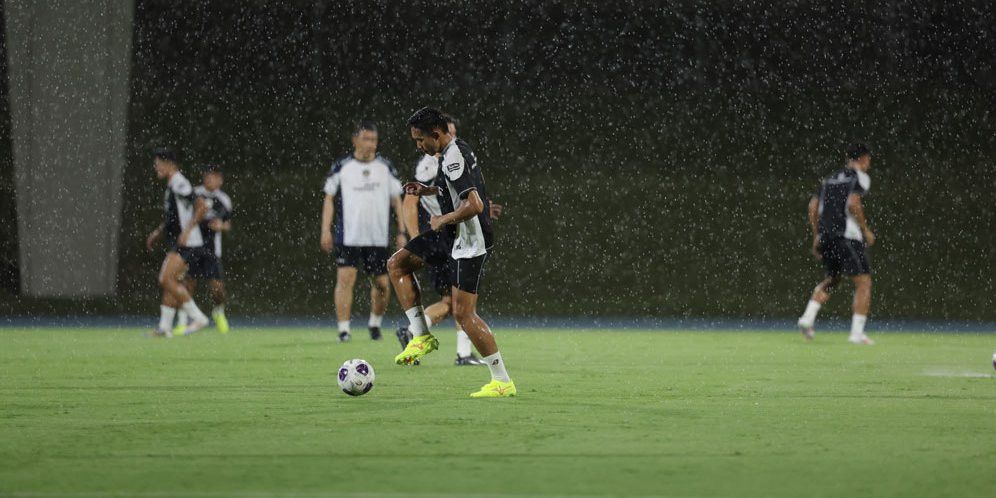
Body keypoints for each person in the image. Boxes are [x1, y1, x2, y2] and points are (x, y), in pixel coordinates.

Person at [389, 107, 516, 398]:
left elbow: (475, 205)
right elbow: (459, 189)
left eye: (421, 140)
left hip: (469, 242)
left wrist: (441, 219)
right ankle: (421, 336)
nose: (419, 146)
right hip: (453, 237)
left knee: (464, 314)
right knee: (397, 264)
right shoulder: (450, 153)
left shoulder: (453, 158)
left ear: (436, 134)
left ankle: (502, 380)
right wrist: (427, 191)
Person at [320, 121, 406, 342]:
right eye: (366, 139)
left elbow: (398, 201)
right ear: (355, 140)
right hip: (348, 236)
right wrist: (325, 230)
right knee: (345, 279)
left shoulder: (386, 167)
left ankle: (374, 324)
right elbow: (329, 198)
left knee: (382, 285)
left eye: (374, 140)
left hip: (377, 237)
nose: (371, 144)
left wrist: (402, 232)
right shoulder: (342, 166)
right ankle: (344, 329)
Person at [797, 143, 876, 345]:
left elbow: (813, 207)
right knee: (863, 282)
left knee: (833, 278)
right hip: (846, 236)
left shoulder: (830, 179)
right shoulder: (859, 177)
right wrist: (865, 230)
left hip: (827, 236)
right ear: (864, 159)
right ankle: (857, 334)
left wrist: (817, 235)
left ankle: (807, 318)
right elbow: (853, 202)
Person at [144, 147, 212, 338]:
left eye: (158, 164)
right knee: (171, 281)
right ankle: (165, 328)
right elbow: (174, 216)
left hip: (188, 243)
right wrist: (159, 232)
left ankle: (198, 317)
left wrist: (188, 230)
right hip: (183, 242)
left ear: (168, 164)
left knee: (165, 279)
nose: (155, 167)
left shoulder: (179, 182)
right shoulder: (173, 183)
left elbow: (202, 206)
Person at [173, 164, 233, 334]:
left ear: (220, 180)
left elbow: (228, 223)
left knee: (218, 289)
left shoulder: (224, 199)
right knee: (187, 284)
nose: (209, 179)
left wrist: (221, 226)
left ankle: (218, 311)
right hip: (192, 247)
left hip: (212, 250)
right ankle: (183, 321)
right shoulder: (194, 193)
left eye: (213, 176)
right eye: (207, 175)